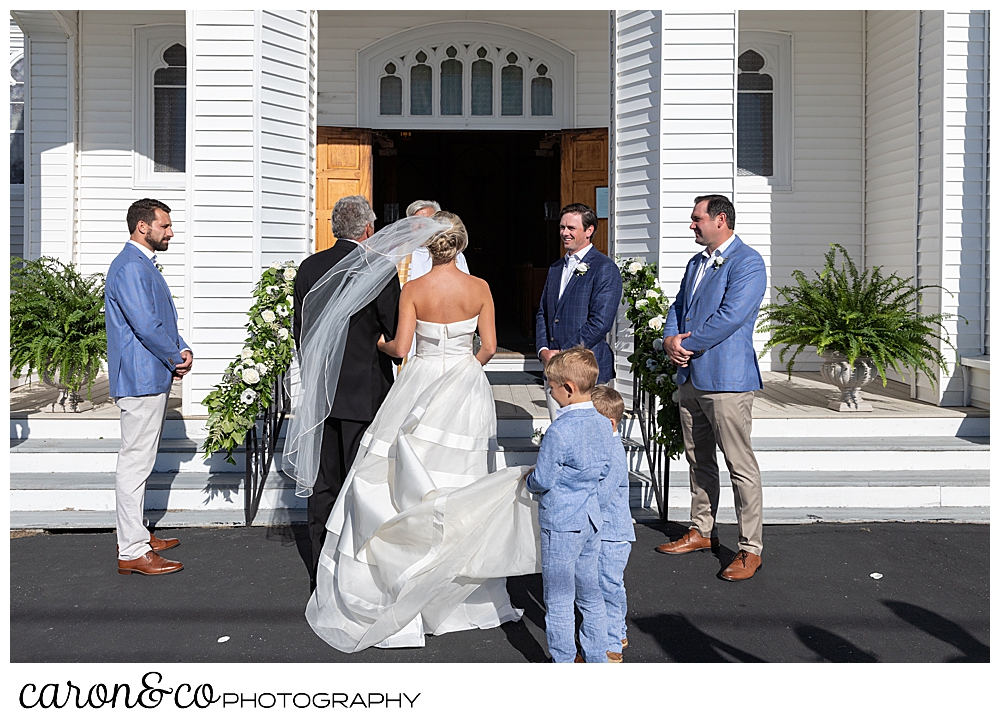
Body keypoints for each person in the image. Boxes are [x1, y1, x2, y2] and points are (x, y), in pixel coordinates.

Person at [304, 211, 540, 652]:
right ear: (462, 245)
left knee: (405, 479)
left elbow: (400, 347)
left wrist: (379, 344)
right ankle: (459, 592)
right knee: (465, 476)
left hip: (421, 381)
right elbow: (488, 346)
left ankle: (406, 569)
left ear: (429, 246)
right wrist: (467, 369)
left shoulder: (413, 288)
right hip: (466, 385)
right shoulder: (481, 289)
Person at [656, 194, 767, 582]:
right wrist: (670, 339)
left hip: (727, 380)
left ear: (720, 220)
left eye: (696, 218)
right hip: (691, 377)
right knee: (698, 459)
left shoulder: (748, 262)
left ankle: (750, 548)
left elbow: (731, 316)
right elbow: (678, 306)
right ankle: (702, 531)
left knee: (740, 466)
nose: (691, 225)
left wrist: (686, 344)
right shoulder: (696, 262)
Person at [292, 195, 400, 588]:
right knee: (362, 482)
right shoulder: (380, 268)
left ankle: (320, 571)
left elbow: (299, 331)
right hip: (365, 392)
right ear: (368, 228)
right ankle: (356, 571)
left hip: (322, 392)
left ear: (335, 227)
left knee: (324, 485)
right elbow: (392, 329)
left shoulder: (309, 267)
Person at [105, 198, 191, 575]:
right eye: (165, 226)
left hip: (149, 374)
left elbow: (158, 319)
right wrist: (175, 356)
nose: (170, 232)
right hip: (140, 379)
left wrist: (180, 346)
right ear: (144, 227)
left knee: (140, 461)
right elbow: (144, 324)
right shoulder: (129, 267)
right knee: (134, 465)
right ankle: (132, 551)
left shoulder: (138, 264)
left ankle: (137, 533)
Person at [525, 347, 614, 663]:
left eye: (551, 386)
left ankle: (563, 661)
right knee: (591, 594)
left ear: (568, 389)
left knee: (560, 599)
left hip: (561, 522)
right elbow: (604, 471)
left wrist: (527, 482)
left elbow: (544, 479)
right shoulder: (605, 424)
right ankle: (596, 657)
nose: (549, 391)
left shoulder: (559, 431)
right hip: (590, 518)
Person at [535, 203, 622, 421]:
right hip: (553, 367)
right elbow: (543, 314)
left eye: (571, 228)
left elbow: (600, 322)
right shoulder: (556, 268)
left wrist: (563, 354)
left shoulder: (604, 268)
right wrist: (544, 350)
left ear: (589, 230)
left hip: (586, 368)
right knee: (560, 430)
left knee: (588, 436)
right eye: (562, 227)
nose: (565, 233)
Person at [395, 200, 470, 366]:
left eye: (427, 222)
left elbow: (466, 293)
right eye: (416, 223)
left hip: (444, 332)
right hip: (409, 332)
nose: (421, 227)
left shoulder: (455, 256)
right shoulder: (398, 256)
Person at [591, 385, 633, 662]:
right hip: (606, 532)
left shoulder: (614, 454)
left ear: (609, 423)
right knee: (604, 584)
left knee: (608, 586)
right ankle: (617, 631)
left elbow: (601, 496)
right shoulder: (604, 447)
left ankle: (611, 645)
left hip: (612, 534)